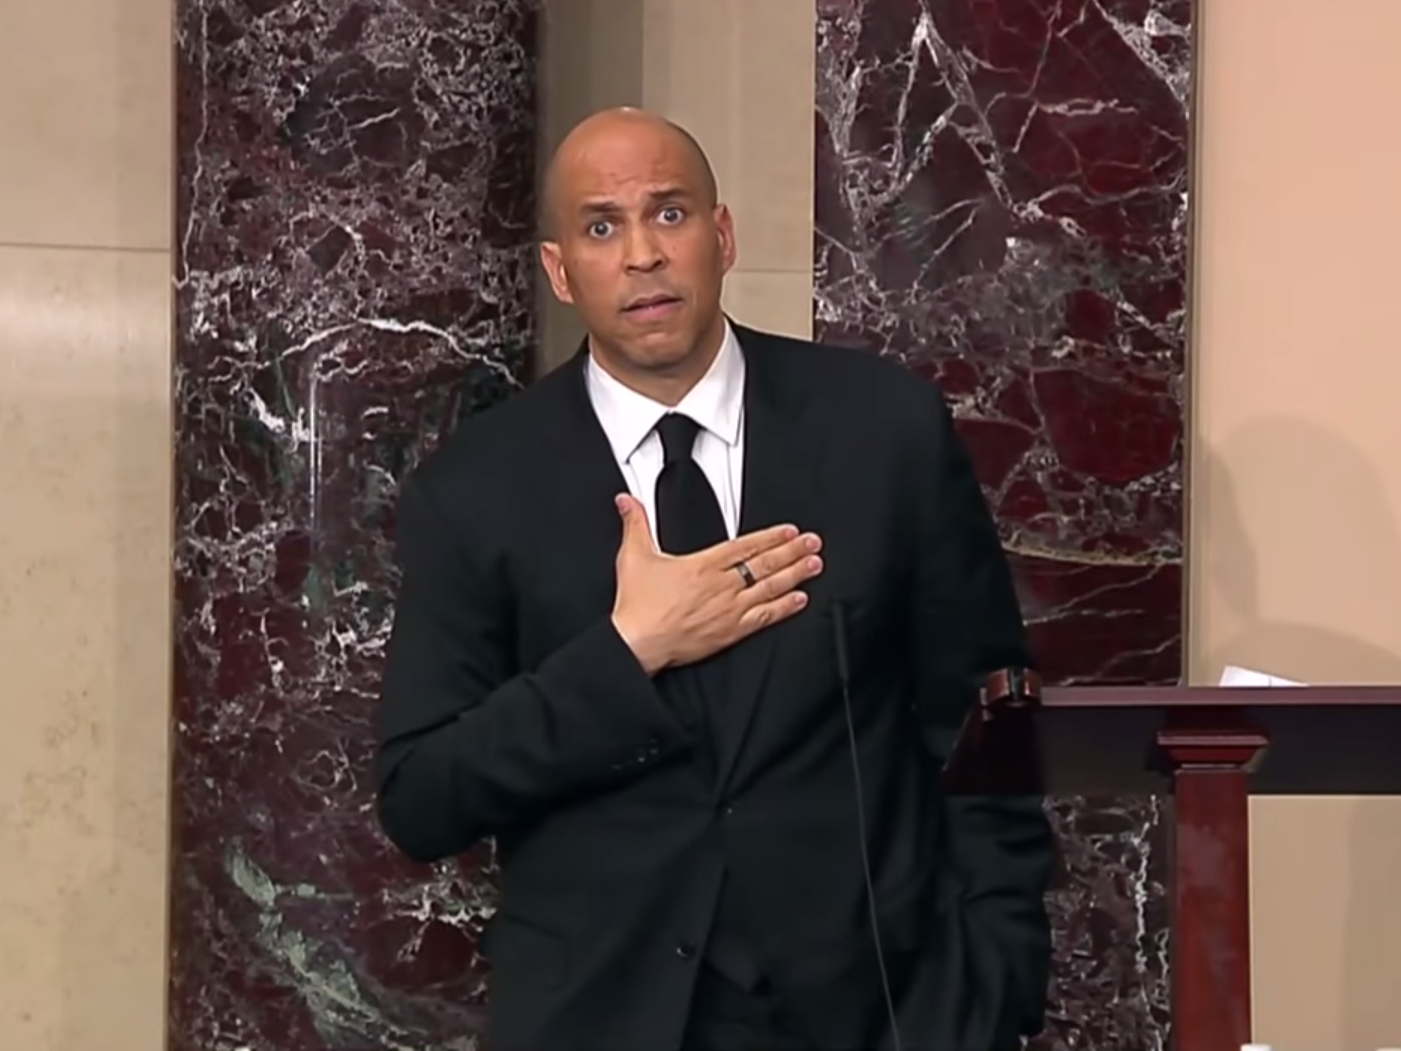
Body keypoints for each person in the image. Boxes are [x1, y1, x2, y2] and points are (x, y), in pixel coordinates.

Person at [374, 107, 1054, 1051]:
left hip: (877, 1012)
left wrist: (995, 982)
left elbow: (983, 725)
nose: (643, 254)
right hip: (601, 1017)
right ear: (560, 270)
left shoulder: (880, 430)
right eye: (602, 226)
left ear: (722, 235)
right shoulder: (475, 489)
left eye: (670, 213)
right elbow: (421, 795)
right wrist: (627, 653)